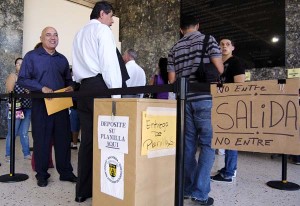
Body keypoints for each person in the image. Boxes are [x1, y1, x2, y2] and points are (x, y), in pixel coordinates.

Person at [168, 15, 224, 205]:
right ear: (198, 25)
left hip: (185, 100)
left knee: (188, 146)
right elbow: (219, 67)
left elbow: (171, 80)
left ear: (181, 29)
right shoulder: (208, 40)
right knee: (208, 145)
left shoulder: (175, 48)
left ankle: (187, 188)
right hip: (205, 99)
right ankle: (200, 193)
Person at [72, 1, 123, 203]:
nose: (111, 21)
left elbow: (76, 69)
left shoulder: (79, 33)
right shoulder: (102, 31)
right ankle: (105, 190)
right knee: (107, 142)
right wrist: (116, 97)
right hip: (100, 87)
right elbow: (109, 65)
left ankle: (82, 191)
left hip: (83, 89)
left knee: (87, 142)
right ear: (102, 14)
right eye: (111, 16)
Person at [17, 26, 77, 187]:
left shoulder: (62, 59)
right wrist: (41, 88)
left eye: (55, 35)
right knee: (42, 141)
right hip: (41, 106)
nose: (53, 38)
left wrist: (71, 86)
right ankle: (42, 174)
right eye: (48, 35)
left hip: (61, 106)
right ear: (41, 38)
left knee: (63, 140)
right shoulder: (31, 57)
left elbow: (68, 80)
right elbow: (22, 79)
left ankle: (66, 173)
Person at [210, 38, 245, 183]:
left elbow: (240, 84)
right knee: (225, 138)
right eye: (221, 44)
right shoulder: (218, 64)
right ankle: (228, 168)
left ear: (233, 48)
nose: (224, 46)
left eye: (227, 44)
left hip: (231, 104)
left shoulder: (235, 63)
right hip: (219, 105)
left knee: (231, 139)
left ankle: (229, 172)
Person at [5, 57, 31, 162]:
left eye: (22, 63)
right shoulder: (13, 76)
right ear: (15, 65)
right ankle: (8, 154)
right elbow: (10, 90)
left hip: (28, 107)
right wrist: (24, 90)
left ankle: (26, 153)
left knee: (24, 132)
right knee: (13, 132)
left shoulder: (29, 77)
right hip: (16, 107)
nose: (20, 65)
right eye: (18, 64)